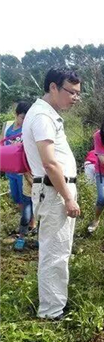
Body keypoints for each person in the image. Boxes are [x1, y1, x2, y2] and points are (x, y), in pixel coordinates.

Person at [22, 68, 82, 320]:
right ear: (53, 87)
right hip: (54, 191)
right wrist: (68, 197)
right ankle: (51, 311)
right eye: (71, 92)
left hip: (54, 189)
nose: (75, 98)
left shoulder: (47, 114)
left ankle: (55, 305)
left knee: (58, 251)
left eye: (78, 94)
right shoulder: (42, 117)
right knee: (55, 253)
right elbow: (49, 162)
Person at [3, 102, 36, 251]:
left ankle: (29, 224)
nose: (24, 120)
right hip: (11, 170)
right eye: (22, 117)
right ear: (16, 115)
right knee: (17, 198)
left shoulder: (27, 129)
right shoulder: (7, 127)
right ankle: (28, 221)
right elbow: (2, 145)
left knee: (26, 199)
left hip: (23, 172)